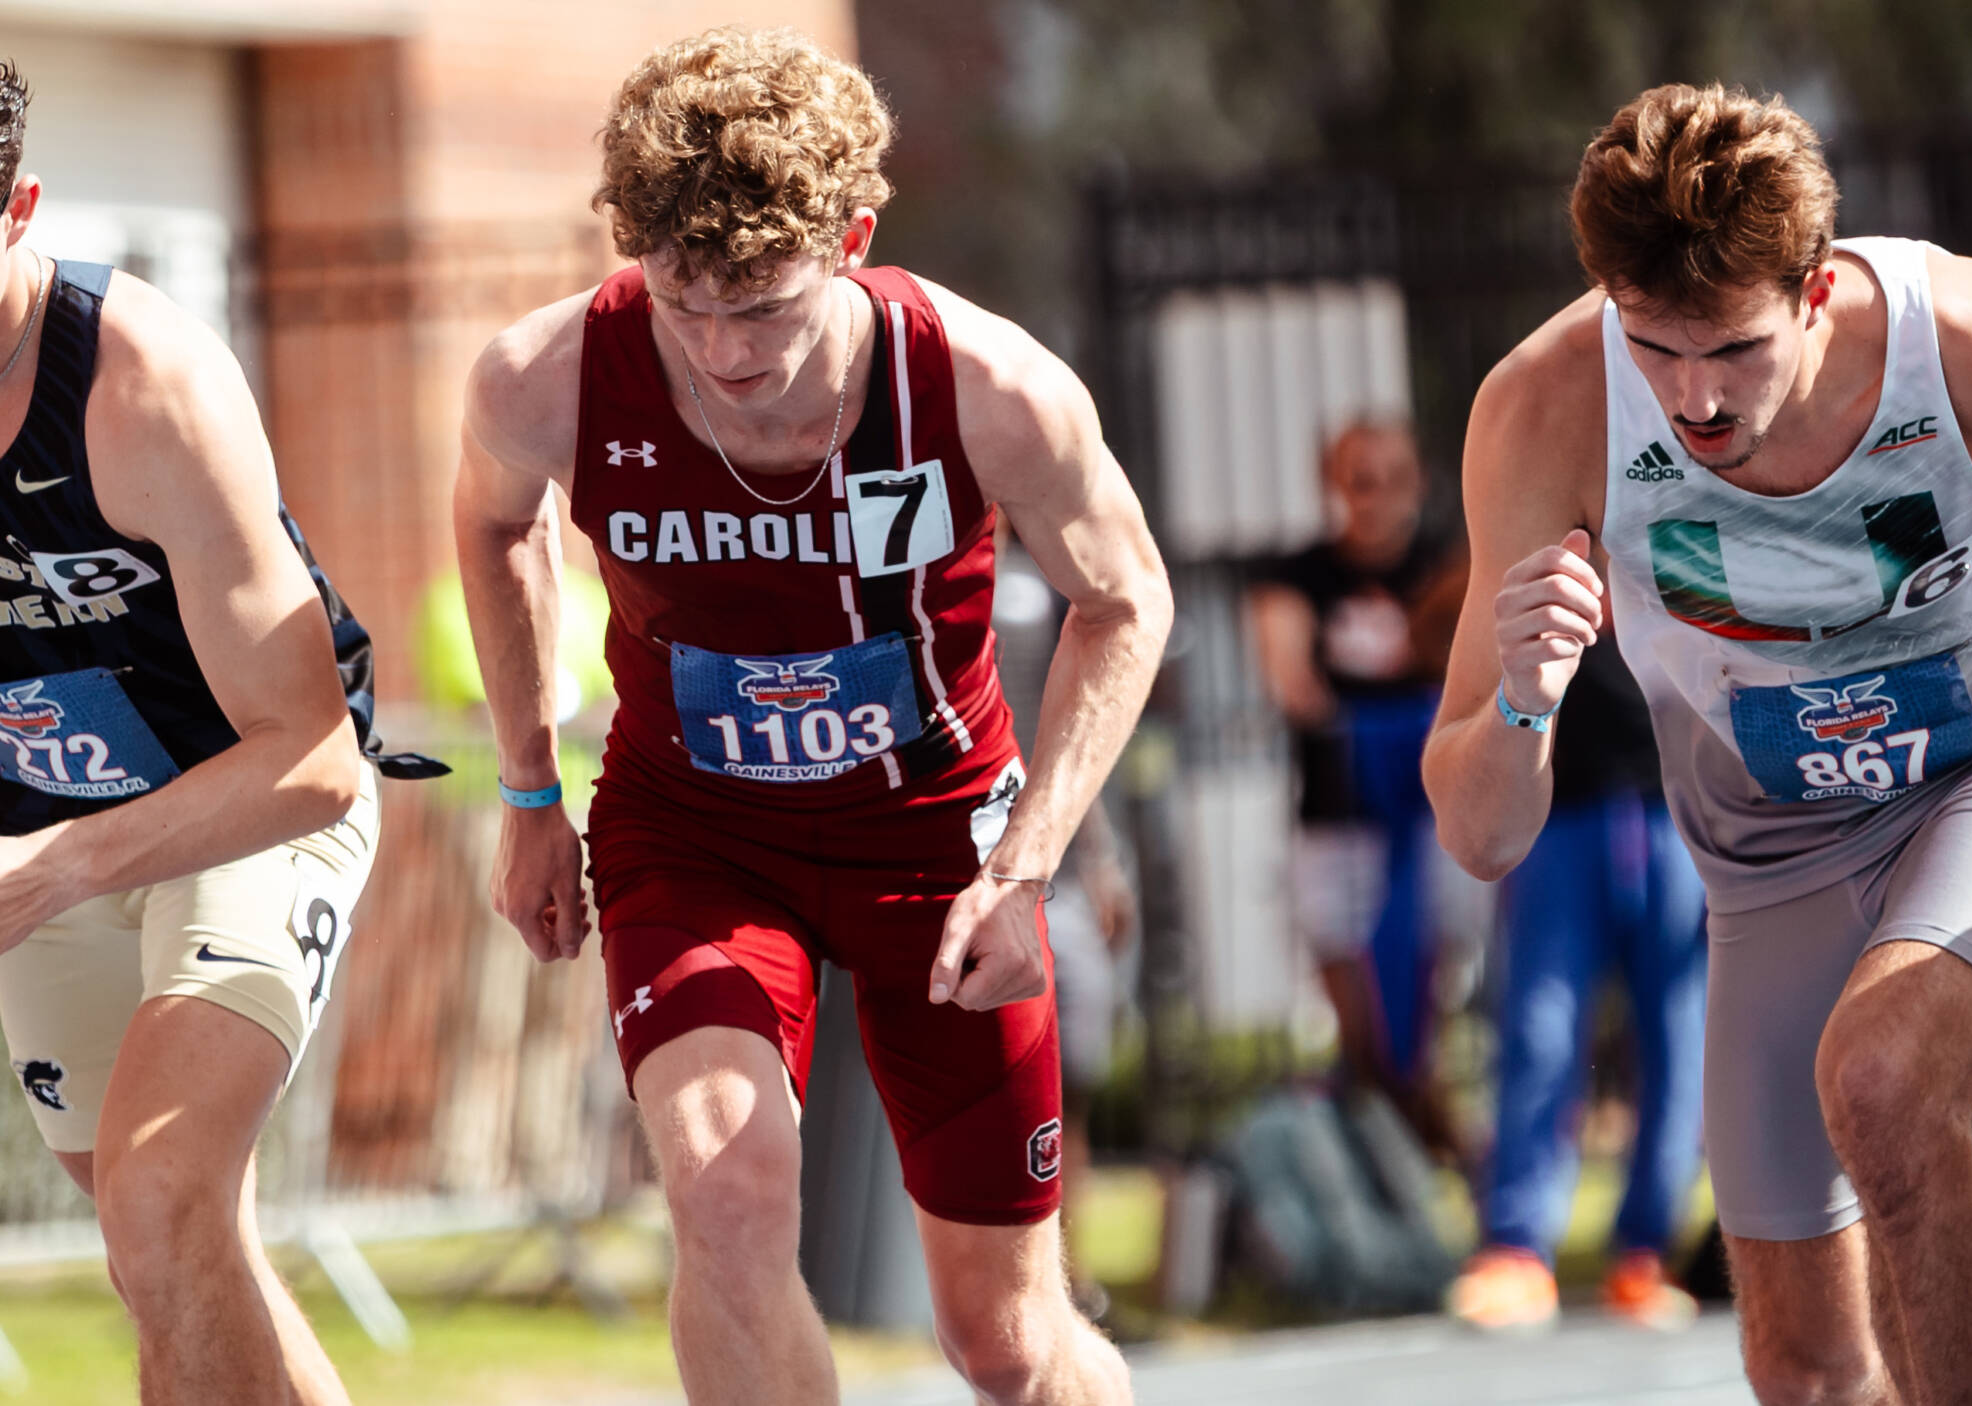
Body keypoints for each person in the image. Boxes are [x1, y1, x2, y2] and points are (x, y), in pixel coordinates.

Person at [0, 24, 437, 1405]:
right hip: (35, 826)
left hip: (241, 806)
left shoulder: (144, 385)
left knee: (163, 1201)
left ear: (20, 211)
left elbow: (319, 762)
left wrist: (50, 871)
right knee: (164, 1248)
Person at [453, 27, 1169, 1406]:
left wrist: (1028, 867)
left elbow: (1126, 601)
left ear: (852, 236)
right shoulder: (543, 375)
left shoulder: (981, 380)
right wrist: (530, 791)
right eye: (684, 300)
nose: (724, 349)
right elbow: (495, 525)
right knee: (725, 1197)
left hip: (940, 851)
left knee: (1006, 1343)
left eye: (765, 306)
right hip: (698, 835)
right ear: (630, 245)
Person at [1424, 81, 1972, 1403]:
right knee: (1802, 1361)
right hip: (1772, 844)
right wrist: (1522, 690)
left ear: (1818, 291)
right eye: (1653, 344)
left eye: (1730, 348)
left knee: (1887, 1083)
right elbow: (1480, 830)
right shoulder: (1548, 409)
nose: (1694, 399)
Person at [1446, 623, 1708, 1334]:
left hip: (1673, 805)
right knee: (1540, 1030)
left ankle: (1646, 1253)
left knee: (1678, 1037)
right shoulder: (1538, 517)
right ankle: (1517, 1249)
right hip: (1557, 812)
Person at [1247, 421, 1467, 1158]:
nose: (1375, 497)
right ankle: (1394, 1120)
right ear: (1333, 486)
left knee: (1428, 980)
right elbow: (1290, 678)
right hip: (1336, 814)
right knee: (1353, 992)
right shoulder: (1298, 574)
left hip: (1430, 817)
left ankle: (1413, 1119)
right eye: (1358, 479)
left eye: (1391, 478)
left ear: (1419, 483)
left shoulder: (1448, 562)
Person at [992, 535, 1140, 1319]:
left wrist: (1104, 858)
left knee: (1063, 1089)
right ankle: (1006, 1286)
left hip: (1055, 862)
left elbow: (1078, 731)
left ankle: (1067, 1279)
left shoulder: (1043, 588)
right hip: (962, 864)